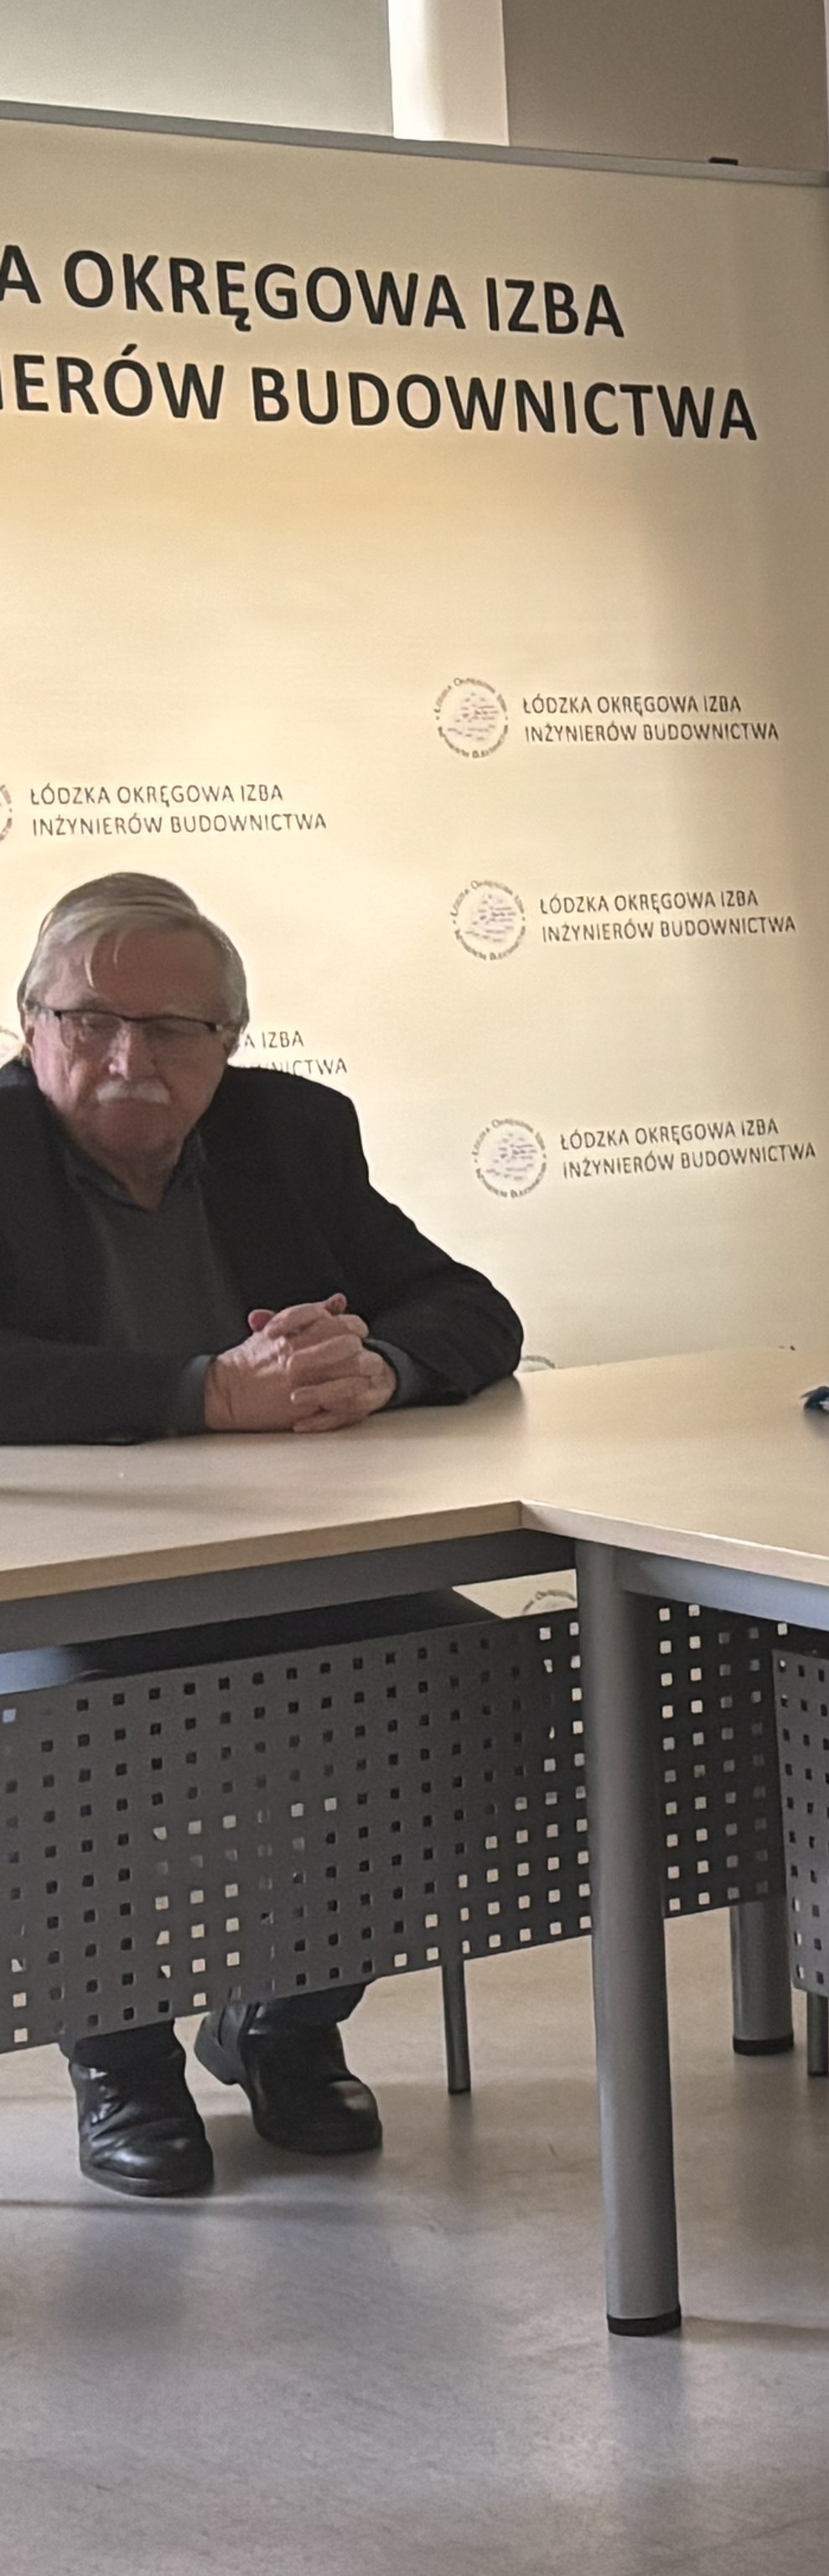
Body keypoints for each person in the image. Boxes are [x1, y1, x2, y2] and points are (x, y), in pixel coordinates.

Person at [0, 872, 525, 2197]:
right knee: (52, 1725)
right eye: (89, 1018)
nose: (131, 1056)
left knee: (492, 1686)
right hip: (55, 1589)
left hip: (280, 1568)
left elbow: (470, 1306)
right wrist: (202, 1392)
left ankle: (283, 2017)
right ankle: (121, 2060)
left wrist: (383, 1368)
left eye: (175, 1027)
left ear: (229, 1040)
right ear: (29, 1023)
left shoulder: (290, 1131)